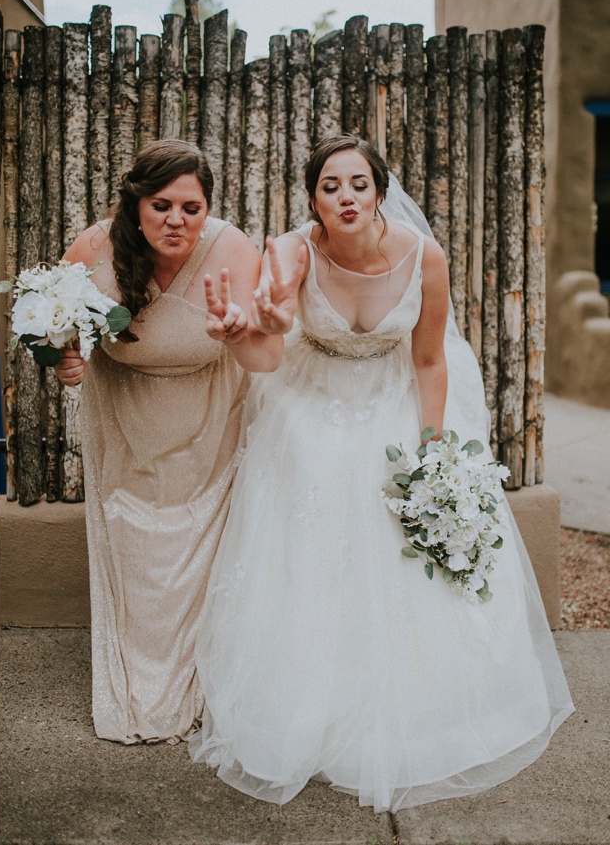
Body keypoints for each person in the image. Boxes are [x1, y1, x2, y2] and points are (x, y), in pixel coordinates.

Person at [190, 134, 572, 810]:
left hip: (398, 400)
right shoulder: (290, 252)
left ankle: (429, 707)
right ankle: (308, 704)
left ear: (379, 191)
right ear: (313, 196)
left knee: (396, 518)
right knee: (314, 504)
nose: (344, 196)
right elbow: (270, 337)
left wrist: (431, 454)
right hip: (310, 401)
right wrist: (248, 326)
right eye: (330, 185)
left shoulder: (424, 257)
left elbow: (429, 361)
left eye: (357, 184)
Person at [57, 138, 280, 744]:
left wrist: (237, 334)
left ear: (208, 210)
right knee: (137, 560)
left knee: (203, 564)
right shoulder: (94, 247)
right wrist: (63, 356)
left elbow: (266, 357)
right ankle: (136, 687)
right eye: (161, 205)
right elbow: (45, 319)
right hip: (123, 427)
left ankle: (203, 686)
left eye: (191, 207)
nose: (176, 220)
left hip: (212, 428)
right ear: (136, 206)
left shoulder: (233, 251)